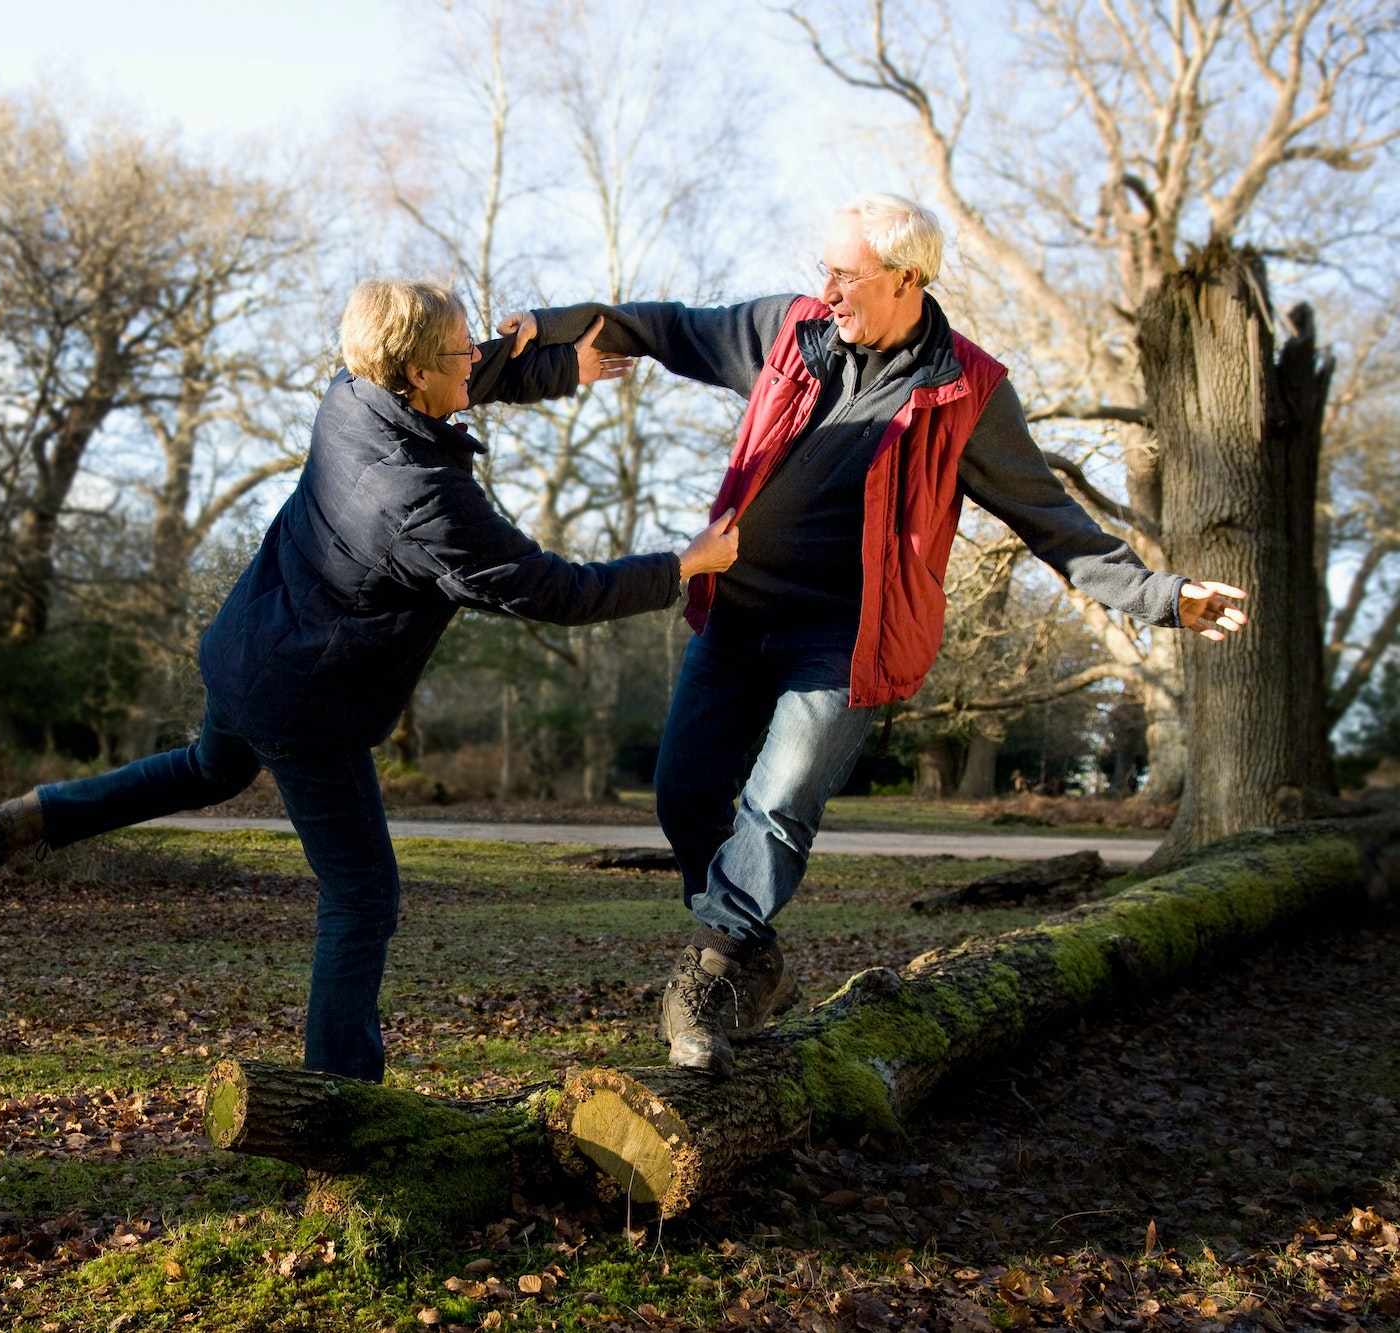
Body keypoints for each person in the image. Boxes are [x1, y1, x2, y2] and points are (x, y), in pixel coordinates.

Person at [497, 193, 1250, 1077]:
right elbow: (663, 326)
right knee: (682, 793)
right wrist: (550, 326)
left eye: (846, 275)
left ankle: (711, 973)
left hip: (843, 642)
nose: (828, 289)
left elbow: (1054, 523)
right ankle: (750, 950)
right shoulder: (791, 331)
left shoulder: (969, 391)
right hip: (737, 615)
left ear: (908, 277)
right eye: (825, 269)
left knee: (778, 802)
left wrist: (1164, 594)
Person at [0, 277, 744, 1083]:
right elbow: (550, 588)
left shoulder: (352, 396)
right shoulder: (423, 501)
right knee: (363, 896)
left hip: (248, 649)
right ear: (409, 372)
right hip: (309, 703)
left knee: (207, 769)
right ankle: (338, 1105)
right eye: (457, 349)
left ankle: (37, 815)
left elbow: (459, 380)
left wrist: (556, 368)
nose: (474, 357)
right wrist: (681, 564)